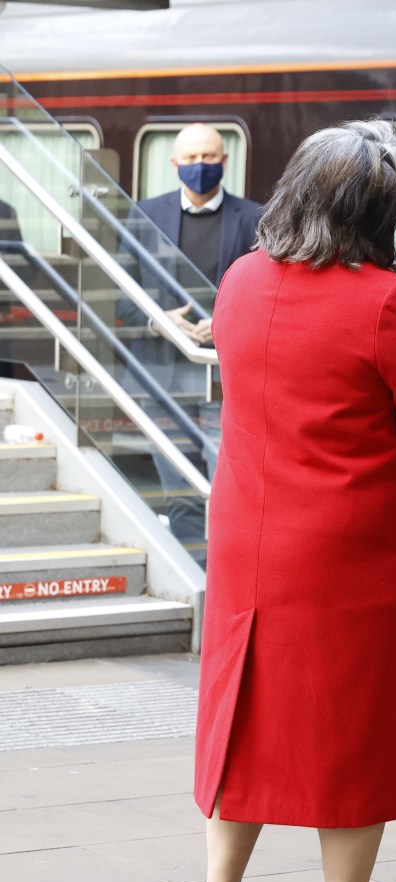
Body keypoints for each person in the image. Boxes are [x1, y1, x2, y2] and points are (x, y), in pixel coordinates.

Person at [185, 120, 396, 882]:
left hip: (246, 541)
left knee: (244, 718)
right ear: (376, 213)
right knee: (350, 736)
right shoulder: (387, 302)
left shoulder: (238, 280)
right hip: (349, 554)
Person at [118, 123, 261, 563]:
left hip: (228, 378)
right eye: (191, 158)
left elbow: (266, 294)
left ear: (225, 160)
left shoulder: (256, 218)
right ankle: (194, 575)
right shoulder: (142, 214)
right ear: (174, 163)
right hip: (162, 375)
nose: (200, 166)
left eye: (209, 157)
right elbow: (120, 295)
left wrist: (225, 324)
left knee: (228, 485)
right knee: (177, 487)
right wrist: (157, 320)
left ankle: (226, 572)